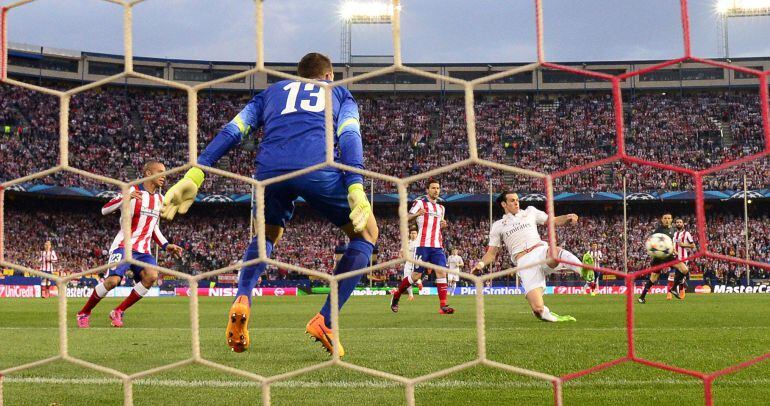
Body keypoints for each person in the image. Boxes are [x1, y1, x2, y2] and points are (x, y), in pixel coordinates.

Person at [162, 53, 378, 356]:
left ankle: (242, 297)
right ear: (329, 76)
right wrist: (355, 185)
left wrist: (196, 174)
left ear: (299, 76)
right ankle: (326, 321)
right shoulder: (339, 93)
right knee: (367, 235)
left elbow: (232, 131)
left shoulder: (271, 93)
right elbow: (350, 135)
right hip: (317, 166)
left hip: (269, 171)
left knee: (266, 236)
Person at [76, 160, 183, 328]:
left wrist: (166, 245)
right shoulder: (132, 190)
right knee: (112, 282)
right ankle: (84, 312)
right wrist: (125, 198)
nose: (164, 176)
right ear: (148, 173)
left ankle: (118, 311)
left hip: (143, 251)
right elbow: (105, 209)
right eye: (160, 171)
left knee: (152, 276)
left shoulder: (160, 199)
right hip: (123, 246)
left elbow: (153, 227)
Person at [472, 191, 581, 322]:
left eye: (517, 199)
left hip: (539, 251)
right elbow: (491, 253)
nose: (516, 202)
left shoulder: (530, 211)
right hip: (524, 262)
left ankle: (584, 270)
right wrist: (481, 264)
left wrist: (568, 217)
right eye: (512, 200)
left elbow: (553, 220)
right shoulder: (498, 226)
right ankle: (551, 316)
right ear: (503, 204)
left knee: (554, 252)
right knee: (538, 311)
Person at [390, 180, 453, 314]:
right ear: (427, 190)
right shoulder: (420, 203)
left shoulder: (441, 208)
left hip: (437, 246)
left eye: (438, 188)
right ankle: (397, 295)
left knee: (442, 272)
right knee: (416, 275)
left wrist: (442, 225)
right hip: (422, 245)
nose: (436, 190)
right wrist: (417, 214)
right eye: (433, 188)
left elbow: (437, 226)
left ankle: (443, 306)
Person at [638, 213, 689, 303]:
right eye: (665, 218)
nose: (667, 220)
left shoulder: (674, 230)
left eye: (669, 218)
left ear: (671, 219)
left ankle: (673, 288)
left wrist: (674, 249)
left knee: (684, 270)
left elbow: (673, 243)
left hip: (669, 256)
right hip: (659, 257)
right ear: (662, 220)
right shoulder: (658, 230)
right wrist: (653, 251)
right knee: (653, 278)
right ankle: (642, 297)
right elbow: (651, 243)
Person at [668, 217, 695, 300]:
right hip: (674, 257)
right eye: (677, 222)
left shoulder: (687, 234)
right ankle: (671, 292)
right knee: (672, 275)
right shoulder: (674, 234)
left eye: (680, 222)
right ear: (675, 224)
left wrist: (684, 245)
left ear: (683, 224)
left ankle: (679, 290)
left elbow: (693, 245)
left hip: (683, 258)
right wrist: (673, 250)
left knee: (680, 275)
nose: (679, 223)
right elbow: (672, 245)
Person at [400, 229, 422, 300]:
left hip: (416, 263)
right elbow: (401, 252)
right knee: (406, 279)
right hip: (408, 263)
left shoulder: (419, 242)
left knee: (414, 278)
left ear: (417, 234)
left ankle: (419, 282)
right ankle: (411, 295)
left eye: (414, 233)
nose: (413, 234)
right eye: (412, 233)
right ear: (409, 234)